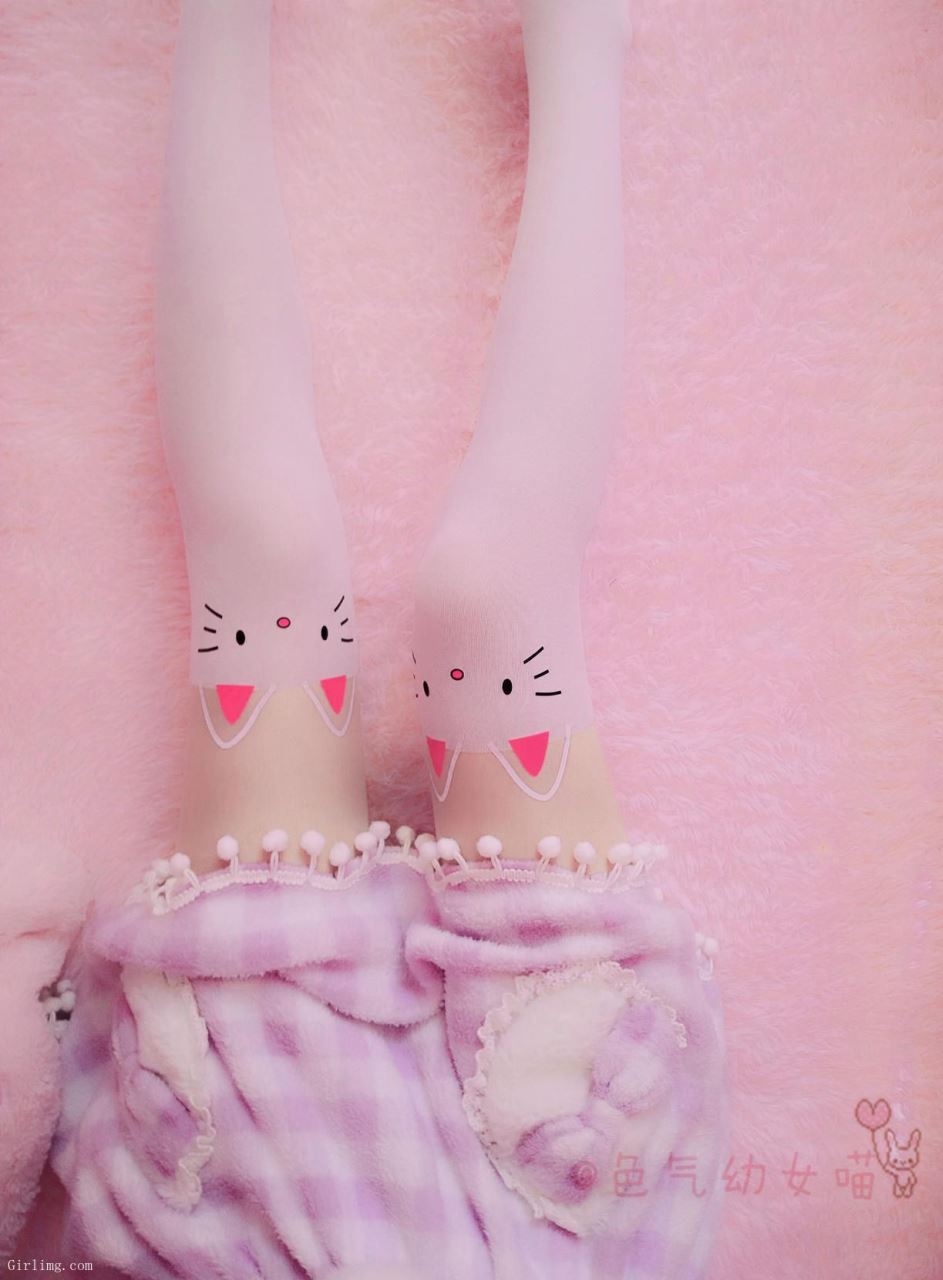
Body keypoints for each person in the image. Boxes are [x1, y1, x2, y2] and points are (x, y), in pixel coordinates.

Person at [50, 3, 728, 1276]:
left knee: (268, 544)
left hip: (262, 1133)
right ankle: (582, 50)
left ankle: (219, 23)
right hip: (563, 1164)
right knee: (489, 584)